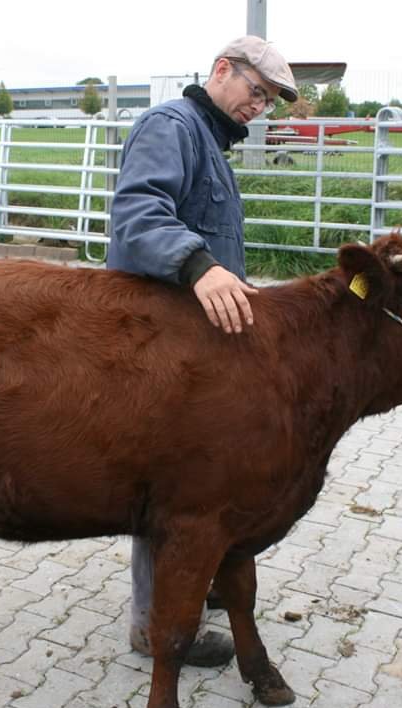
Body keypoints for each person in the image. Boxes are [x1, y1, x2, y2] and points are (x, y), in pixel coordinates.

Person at [106, 36, 298, 666]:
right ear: (221, 71)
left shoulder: (206, 140)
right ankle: (151, 623)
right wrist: (200, 267)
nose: (259, 107)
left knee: (202, 478)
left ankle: (193, 579)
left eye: (268, 101)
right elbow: (138, 214)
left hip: (192, 346)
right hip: (156, 345)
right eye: (255, 91)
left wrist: (230, 278)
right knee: (171, 486)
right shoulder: (172, 126)